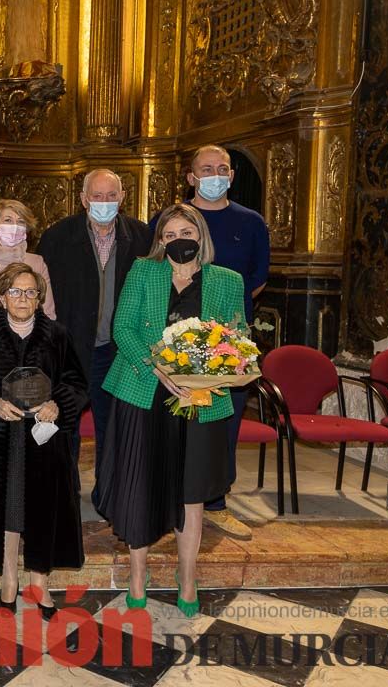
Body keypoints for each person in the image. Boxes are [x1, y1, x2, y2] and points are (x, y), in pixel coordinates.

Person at [96, 203, 245, 618]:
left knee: (191, 492)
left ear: (201, 236)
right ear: (160, 240)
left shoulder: (227, 281)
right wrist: (158, 367)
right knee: (140, 486)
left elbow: (239, 335)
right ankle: (138, 574)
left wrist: (216, 367)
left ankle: (188, 574)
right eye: (170, 234)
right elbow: (121, 327)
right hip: (144, 391)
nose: (180, 240)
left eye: (188, 232)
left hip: (201, 399)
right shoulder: (144, 272)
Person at [151, 146, 268, 541]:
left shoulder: (250, 222)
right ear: (190, 177)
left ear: (232, 175)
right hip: (169, 351)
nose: (215, 175)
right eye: (206, 169)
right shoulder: (170, 219)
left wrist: (218, 340)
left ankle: (215, 502)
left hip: (222, 346)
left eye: (222, 169)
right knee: (168, 428)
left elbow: (257, 280)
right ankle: (167, 502)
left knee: (222, 426)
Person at [0, 263, 87, 620]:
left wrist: (57, 404)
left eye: (30, 292)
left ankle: (40, 583)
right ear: (1, 298)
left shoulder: (58, 335)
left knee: (42, 509)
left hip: (44, 441)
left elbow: (77, 384)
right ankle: (9, 581)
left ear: (40, 299)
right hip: (0, 439)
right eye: (15, 291)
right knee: (8, 509)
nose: (22, 298)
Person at [37, 169, 152, 505]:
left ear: (122, 198)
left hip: (118, 352)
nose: (104, 203)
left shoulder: (142, 237)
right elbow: (44, 294)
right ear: (84, 199)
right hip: (69, 350)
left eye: (111, 196)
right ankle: (65, 494)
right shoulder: (57, 237)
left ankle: (109, 495)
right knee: (64, 424)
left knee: (112, 427)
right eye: (97, 197)